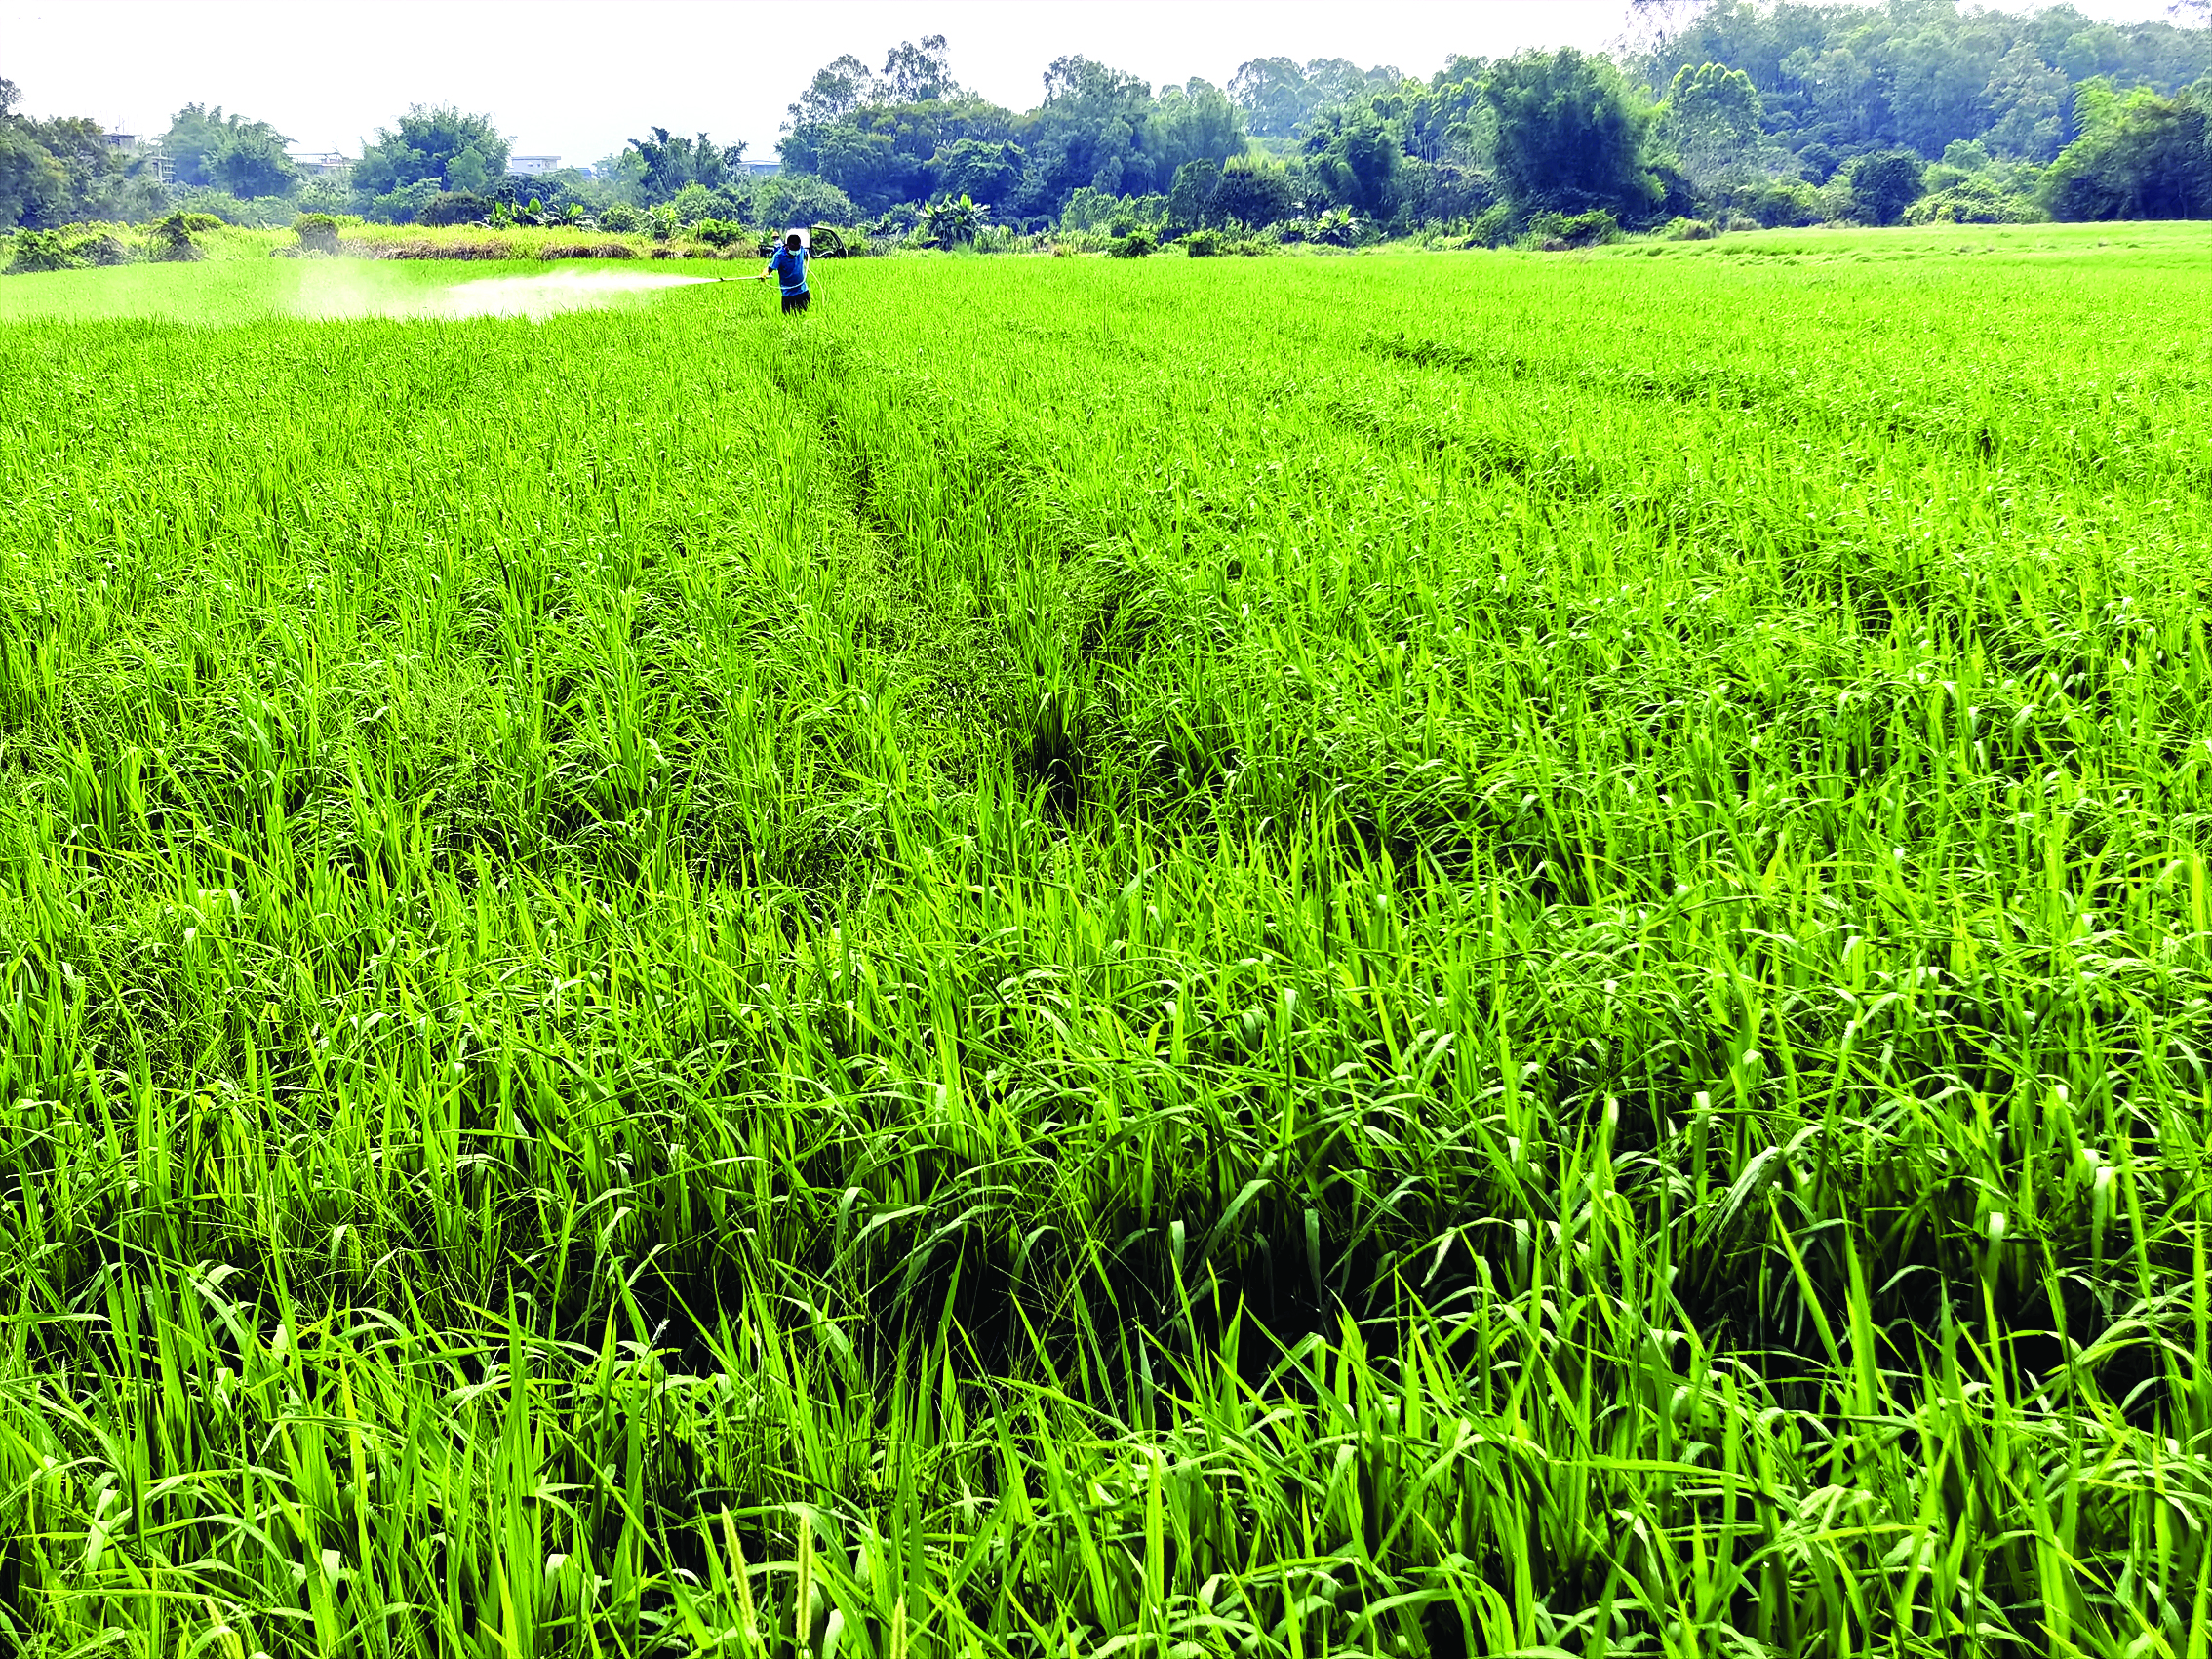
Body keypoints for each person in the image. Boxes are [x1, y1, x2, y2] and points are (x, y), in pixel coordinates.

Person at [751, 229, 810, 314]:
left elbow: (806, 254)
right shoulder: (779, 256)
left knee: (805, 316)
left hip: (803, 292)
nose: (796, 252)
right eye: (793, 249)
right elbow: (770, 269)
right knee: (789, 320)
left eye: (797, 249)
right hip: (788, 295)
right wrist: (764, 273)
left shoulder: (801, 250)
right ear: (787, 246)